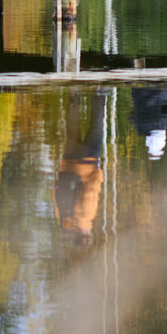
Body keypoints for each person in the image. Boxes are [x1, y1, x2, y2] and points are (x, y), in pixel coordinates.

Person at [53, 92, 108, 246]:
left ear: (86, 235)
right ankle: (73, 94)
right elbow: (56, 193)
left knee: (97, 126)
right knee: (72, 128)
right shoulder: (62, 219)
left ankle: (99, 91)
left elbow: (91, 190)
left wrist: (99, 174)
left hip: (88, 161)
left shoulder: (85, 219)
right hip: (69, 162)